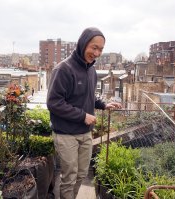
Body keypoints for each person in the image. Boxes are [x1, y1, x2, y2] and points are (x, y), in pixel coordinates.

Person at [47, 27, 122, 199]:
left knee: (81, 174)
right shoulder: (63, 69)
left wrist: (103, 104)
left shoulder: (91, 70)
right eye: (93, 47)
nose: (96, 53)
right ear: (83, 44)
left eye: (100, 50)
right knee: (69, 177)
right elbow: (53, 103)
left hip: (85, 133)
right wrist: (82, 116)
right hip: (66, 134)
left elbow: (88, 96)